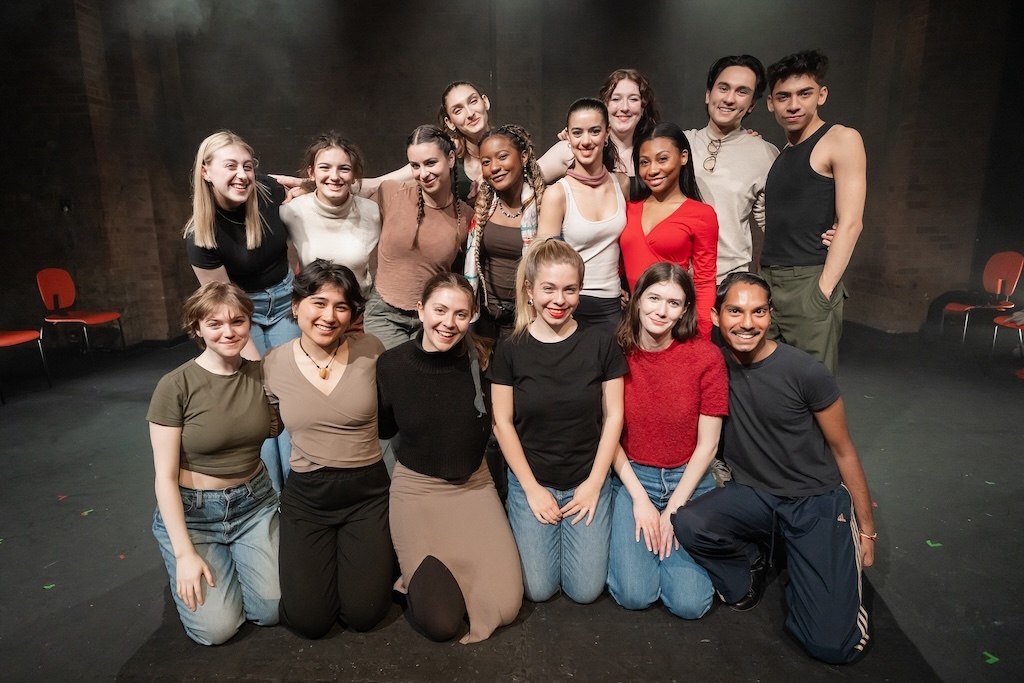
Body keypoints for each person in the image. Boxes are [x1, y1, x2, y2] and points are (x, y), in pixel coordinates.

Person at [673, 272, 876, 664]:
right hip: (754, 495)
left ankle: (820, 567)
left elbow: (844, 450)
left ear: (770, 316)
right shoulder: (710, 363)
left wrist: (867, 530)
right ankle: (752, 560)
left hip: (813, 499)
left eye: (758, 312)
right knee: (690, 523)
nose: (747, 323)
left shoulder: (806, 372)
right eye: (735, 311)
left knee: (833, 644)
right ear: (715, 316)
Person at [378, 272, 523, 643]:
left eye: (461, 314)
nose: (449, 322)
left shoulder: (485, 358)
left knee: (506, 606)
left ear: (472, 315)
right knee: (442, 623)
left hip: (474, 489)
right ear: (421, 309)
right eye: (439, 310)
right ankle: (416, 575)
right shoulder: (391, 365)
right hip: (418, 495)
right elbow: (385, 428)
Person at [489, 238, 628, 604]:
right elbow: (502, 423)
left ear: (580, 292)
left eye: (570, 289)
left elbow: (614, 416)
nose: (559, 299)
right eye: (548, 288)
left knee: (584, 591)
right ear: (530, 290)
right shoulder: (511, 347)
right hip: (533, 480)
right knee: (538, 588)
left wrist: (595, 483)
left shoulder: (600, 343)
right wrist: (532, 489)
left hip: (586, 477)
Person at [262, 260, 393, 639]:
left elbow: (396, 409)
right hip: (308, 499)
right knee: (309, 621)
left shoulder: (372, 349)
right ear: (296, 306)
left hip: (367, 494)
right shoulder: (272, 364)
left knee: (365, 615)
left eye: (341, 306)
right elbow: (268, 426)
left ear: (352, 313)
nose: (329, 316)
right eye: (318, 303)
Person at [148, 281, 280, 645]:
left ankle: (237, 566)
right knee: (217, 630)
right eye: (215, 324)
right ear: (198, 329)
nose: (228, 331)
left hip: (254, 504)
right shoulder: (175, 385)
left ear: (249, 324)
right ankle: (191, 563)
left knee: (274, 610)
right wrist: (184, 552)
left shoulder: (262, 374)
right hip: (195, 514)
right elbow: (164, 477)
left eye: (237, 321)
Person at [607, 263, 728, 619]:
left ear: (685, 310)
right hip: (634, 477)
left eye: (674, 303)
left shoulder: (706, 357)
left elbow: (708, 445)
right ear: (636, 300)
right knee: (633, 594)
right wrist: (641, 500)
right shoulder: (616, 352)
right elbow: (608, 434)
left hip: (689, 481)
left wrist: (674, 507)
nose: (661, 311)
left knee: (690, 605)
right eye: (654, 298)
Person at [183, 130, 298, 491]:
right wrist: (255, 365)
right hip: (239, 313)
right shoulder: (200, 236)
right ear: (206, 171)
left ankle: (298, 495)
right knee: (258, 399)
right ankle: (271, 496)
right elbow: (224, 303)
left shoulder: (264, 188)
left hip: (284, 302)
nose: (242, 175)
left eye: (247, 166)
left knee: (291, 396)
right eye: (230, 166)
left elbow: (307, 185)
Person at [761, 50, 867, 374]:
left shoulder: (841, 139)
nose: (794, 104)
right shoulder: (783, 153)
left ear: (821, 95)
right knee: (772, 386)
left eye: (804, 94)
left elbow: (850, 223)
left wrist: (822, 291)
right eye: (784, 96)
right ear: (770, 103)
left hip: (809, 281)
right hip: (770, 283)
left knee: (811, 390)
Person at [365, 125, 471, 350]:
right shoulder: (391, 193)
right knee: (398, 376)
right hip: (385, 313)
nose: (423, 174)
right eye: (415, 165)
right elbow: (346, 198)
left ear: (451, 159)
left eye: (431, 163)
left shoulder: (466, 215)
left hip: (435, 320)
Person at [538, 99, 631, 334]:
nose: (586, 141)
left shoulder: (622, 183)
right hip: (569, 305)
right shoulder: (557, 193)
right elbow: (542, 262)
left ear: (607, 133)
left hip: (612, 305)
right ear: (567, 137)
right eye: (577, 133)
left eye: (595, 131)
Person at [685, 55, 781, 283]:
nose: (729, 99)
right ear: (709, 94)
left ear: (752, 105)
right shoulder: (679, 143)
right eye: (723, 88)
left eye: (742, 92)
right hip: (672, 279)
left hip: (727, 283)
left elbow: (775, 221)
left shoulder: (765, 154)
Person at [620, 123, 719, 339]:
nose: (652, 170)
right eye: (644, 162)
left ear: (683, 157)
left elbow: (704, 281)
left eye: (662, 159)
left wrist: (701, 336)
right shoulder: (628, 209)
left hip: (673, 323)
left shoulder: (701, 214)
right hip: (631, 323)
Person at [465, 124, 546, 341]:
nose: (494, 167)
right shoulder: (482, 207)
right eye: (486, 162)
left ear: (524, 156)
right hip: (485, 317)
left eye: (502, 157)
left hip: (528, 316)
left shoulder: (544, 206)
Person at [280, 132, 381, 294]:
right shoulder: (292, 211)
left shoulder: (373, 213)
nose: (334, 176)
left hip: (359, 310)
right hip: (314, 309)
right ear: (312, 173)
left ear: (354, 175)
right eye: (325, 167)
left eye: (344, 169)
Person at [360, 81, 493, 202]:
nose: (470, 113)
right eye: (458, 110)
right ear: (450, 122)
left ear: (485, 102)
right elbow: (391, 181)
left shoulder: (512, 142)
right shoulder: (450, 151)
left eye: (473, 101)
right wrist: (368, 185)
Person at [539, 68, 661, 186]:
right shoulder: (571, 149)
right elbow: (526, 181)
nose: (624, 107)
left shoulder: (655, 150)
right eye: (616, 99)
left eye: (633, 99)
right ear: (605, 104)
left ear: (643, 106)